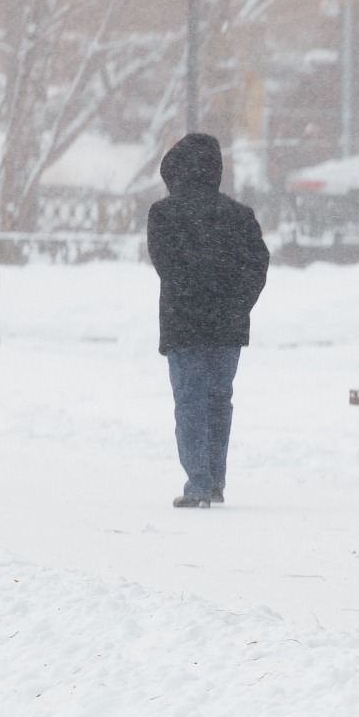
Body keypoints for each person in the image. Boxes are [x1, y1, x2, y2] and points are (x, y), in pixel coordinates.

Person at [146, 133, 270, 509]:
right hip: (227, 326)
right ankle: (215, 481)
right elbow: (258, 267)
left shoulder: (163, 215)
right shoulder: (240, 215)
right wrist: (236, 305)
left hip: (183, 324)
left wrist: (192, 298)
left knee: (190, 401)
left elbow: (165, 266)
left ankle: (197, 483)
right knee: (219, 401)